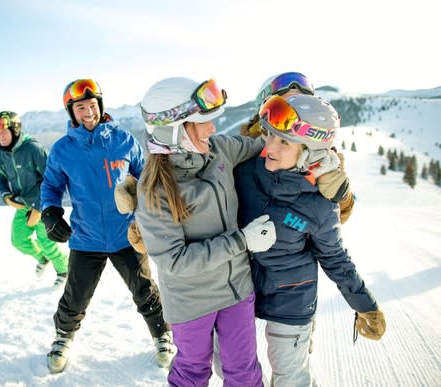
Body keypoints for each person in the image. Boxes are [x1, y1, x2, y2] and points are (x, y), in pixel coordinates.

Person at [234, 93, 386, 386]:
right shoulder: (245, 171)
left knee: (290, 378)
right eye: (270, 136)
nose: (270, 147)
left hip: (292, 295)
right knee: (227, 363)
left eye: (284, 142)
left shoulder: (319, 204)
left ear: (308, 153)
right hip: (241, 287)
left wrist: (365, 304)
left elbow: (335, 257)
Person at [135, 77, 277, 387]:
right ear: (173, 130)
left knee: (244, 371)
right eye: (201, 123)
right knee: (193, 372)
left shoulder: (219, 151)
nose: (212, 128)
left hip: (237, 289)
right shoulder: (156, 190)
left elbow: (267, 148)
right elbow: (175, 261)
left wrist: (317, 155)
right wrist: (242, 241)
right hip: (191, 300)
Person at [40, 79, 174, 374]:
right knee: (75, 295)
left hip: (125, 234)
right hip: (86, 238)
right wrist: (50, 212)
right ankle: (63, 338)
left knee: (144, 289)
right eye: (80, 108)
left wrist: (150, 212)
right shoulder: (63, 149)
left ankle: (162, 334)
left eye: (91, 105)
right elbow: (51, 186)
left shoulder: (123, 141)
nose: (87, 112)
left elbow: (146, 180)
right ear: (71, 112)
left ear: (100, 106)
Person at [241, 72, 355, 223]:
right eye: (282, 110)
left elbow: (337, 218)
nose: (291, 118)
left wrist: (340, 195)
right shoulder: (243, 150)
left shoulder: (322, 158)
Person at [0, 110, 68, 287]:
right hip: (22, 204)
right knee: (18, 240)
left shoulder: (32, 149)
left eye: (3, 131)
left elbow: (50, 179)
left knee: (46, 241)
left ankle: (64, 269)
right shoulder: (0, 153)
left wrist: (38, 208)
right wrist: (6, 196)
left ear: (15, 130)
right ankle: (43, 258)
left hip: (42, 204)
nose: (0, 135)